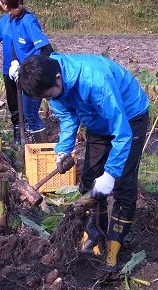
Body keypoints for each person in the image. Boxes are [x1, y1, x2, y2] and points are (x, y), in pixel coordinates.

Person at [18, 53, 149, 269]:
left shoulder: (94, 80)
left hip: (129, 115)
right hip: (96, 120)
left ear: (58, 77)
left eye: (50, 94)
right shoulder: (52, 85)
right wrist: (63, 149)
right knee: (89, 180)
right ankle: (98, 234)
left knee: (123, 184)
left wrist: (111, 174)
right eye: (46, 97)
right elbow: (68, 116)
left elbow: (122, 132)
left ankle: (114, 250)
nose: (50, 99)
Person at [0, 0, 53, 145]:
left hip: (28, 73)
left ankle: (37, 145)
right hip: (9, 70)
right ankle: (19, 136)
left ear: (4, 2)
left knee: (29, 111)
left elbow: (46, 49)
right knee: (14, 106)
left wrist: (33, 69)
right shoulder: (5, 20)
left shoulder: (28, 20)